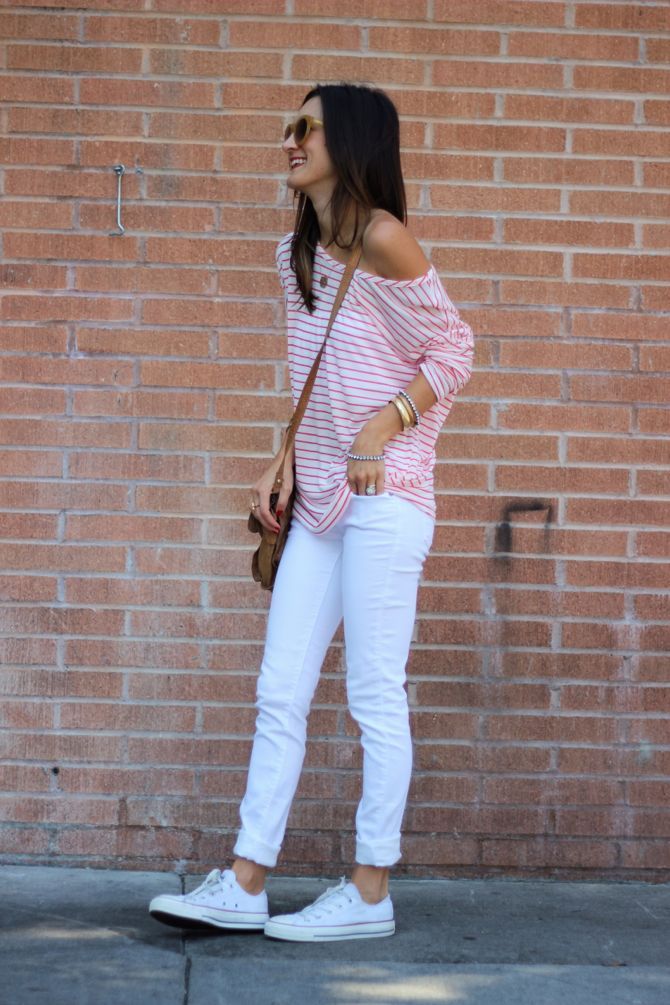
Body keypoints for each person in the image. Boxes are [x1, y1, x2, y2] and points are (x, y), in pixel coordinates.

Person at [149, 81, 474, 942]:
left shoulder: (383, 238)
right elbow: (318, 375)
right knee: (279, 690)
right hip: (323, 500)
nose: (291, 140)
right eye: (289, 127)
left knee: (373, 693)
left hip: (385, 496)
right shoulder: (296, 253)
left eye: (309, 128)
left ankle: (370, 891)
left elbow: (455, 348)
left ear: (352, 141)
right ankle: (246, 879)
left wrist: (384, 423)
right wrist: (284, 456)